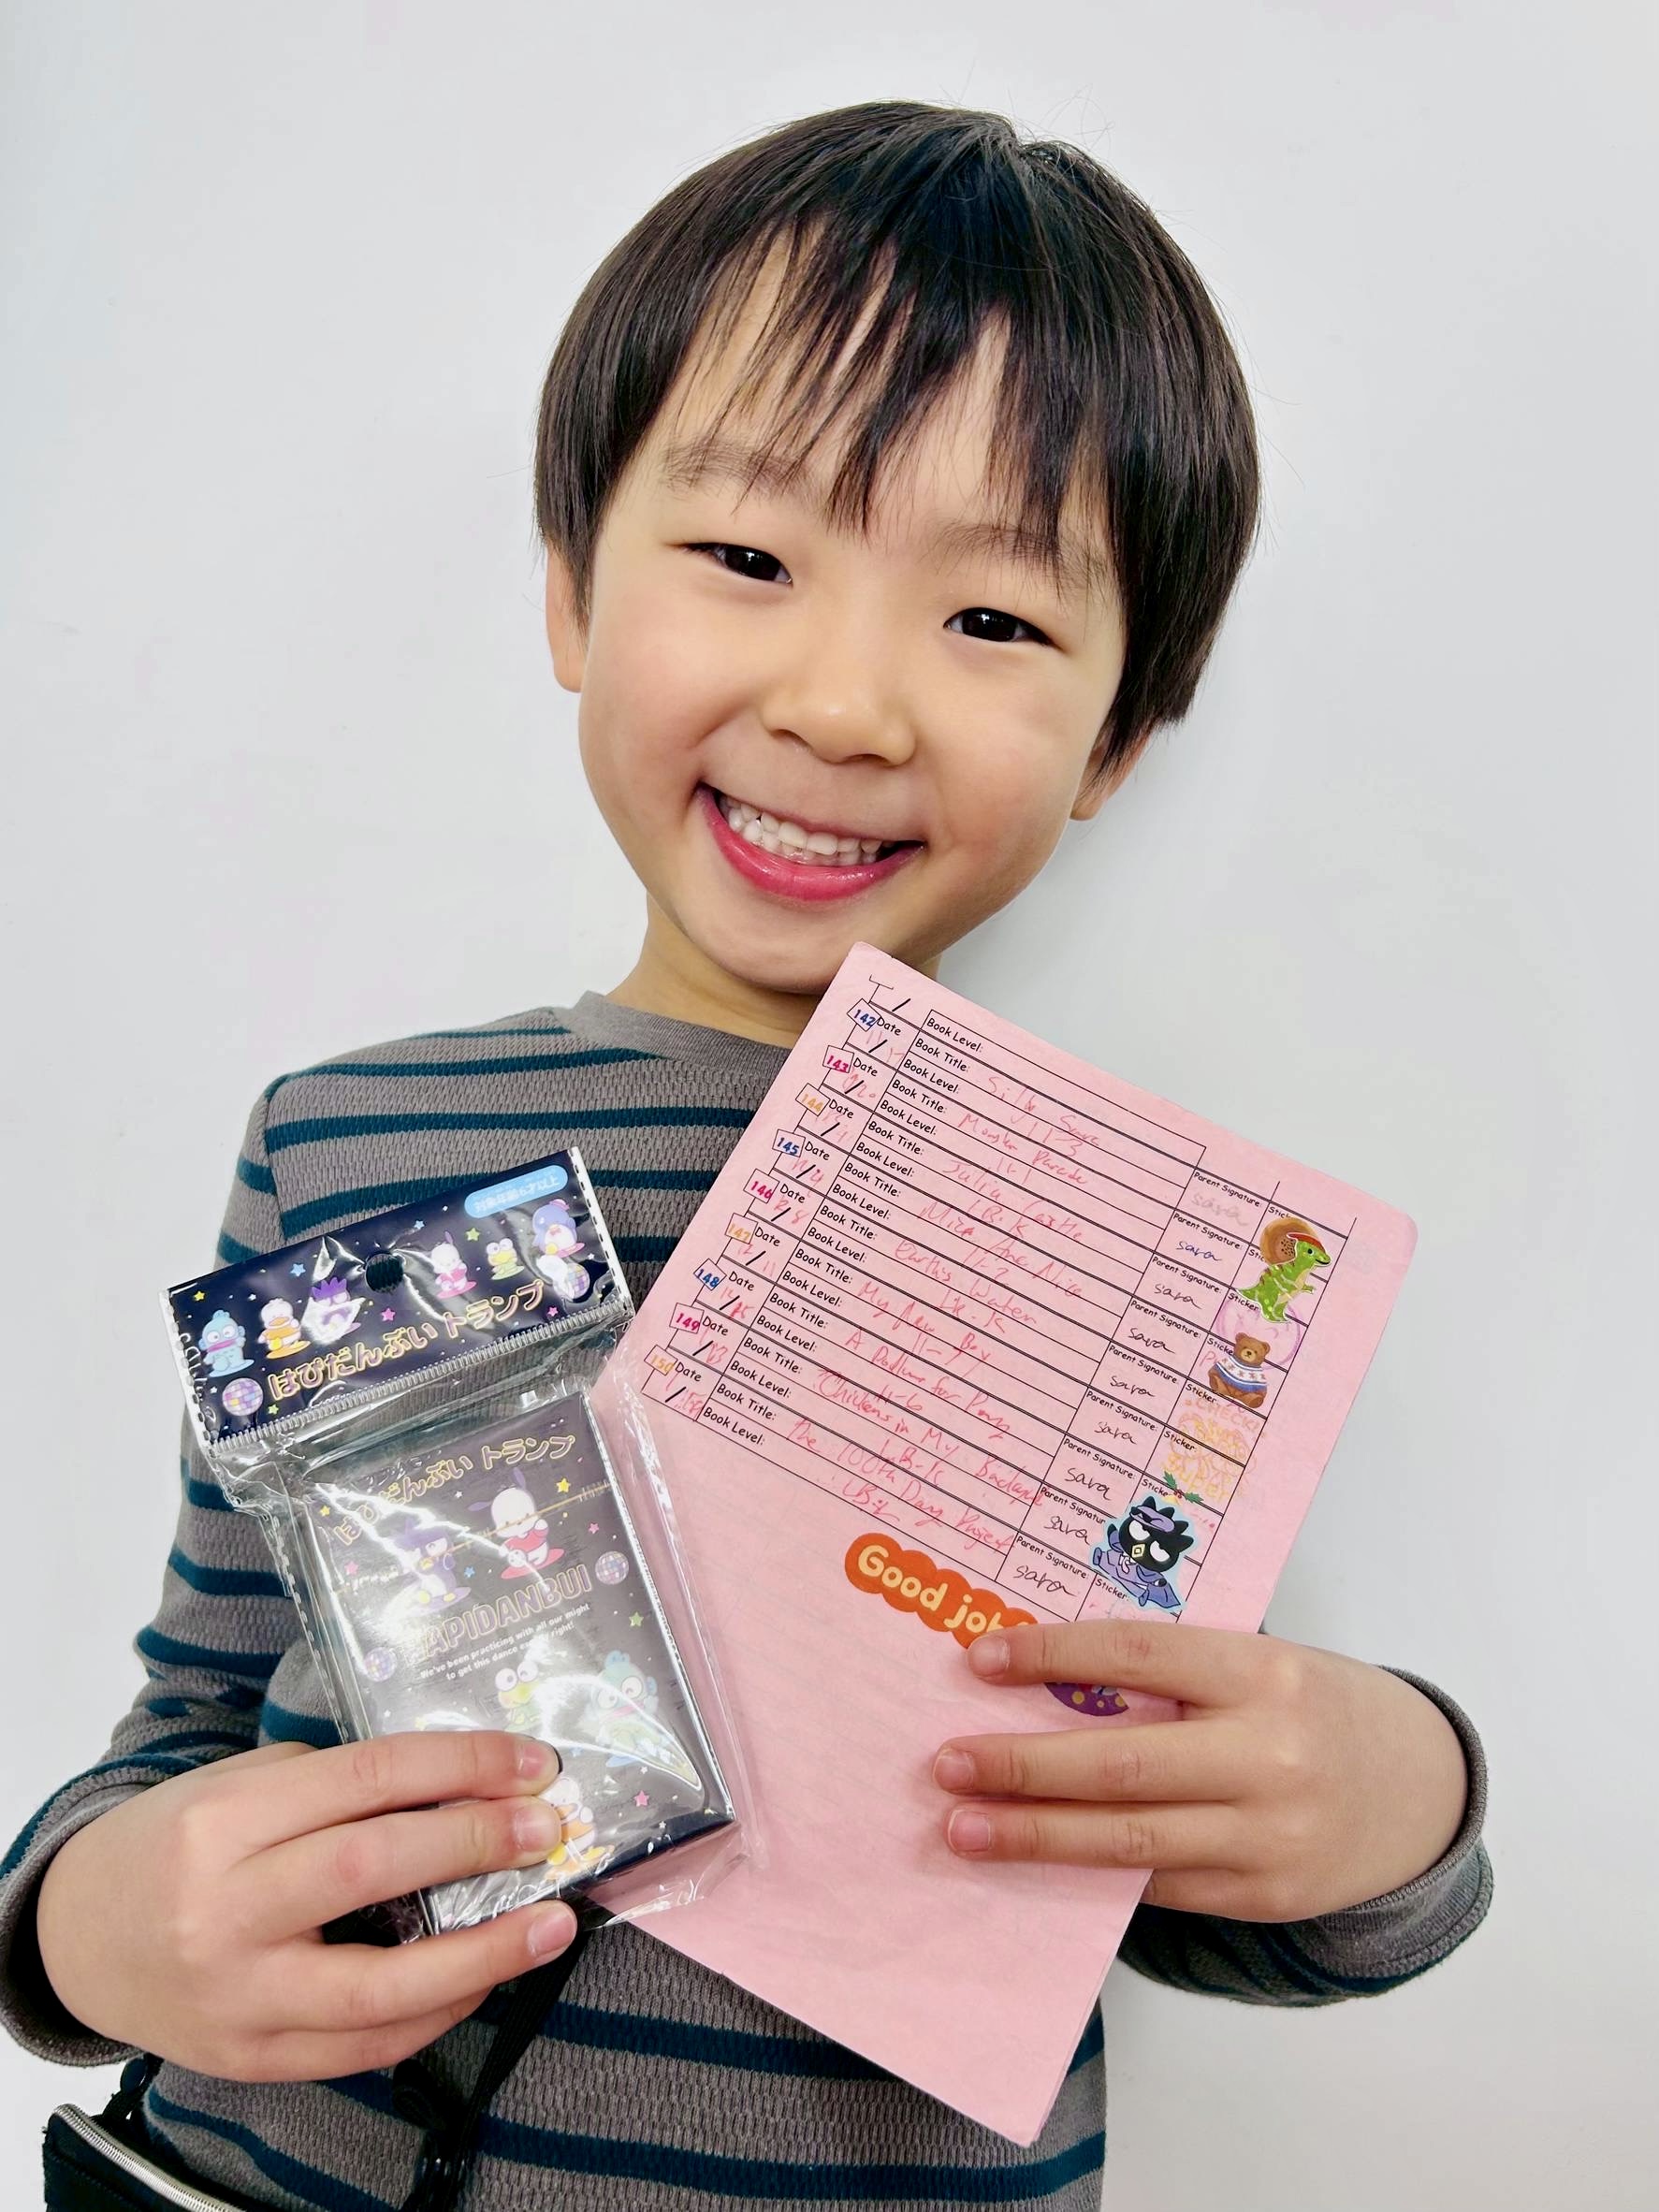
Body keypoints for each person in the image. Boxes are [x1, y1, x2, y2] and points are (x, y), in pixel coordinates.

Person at [0, 100, 1490, 2210]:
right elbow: (183, 1727)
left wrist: (1396, 1801)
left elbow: (1164, 1864)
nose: (846, 701)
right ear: (568, 594)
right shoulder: (347, 1141)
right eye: (748, 558)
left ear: (1117, 741)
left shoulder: (1155, 1280)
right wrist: (86, 1932)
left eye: (993, 622)